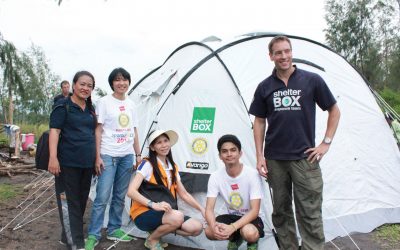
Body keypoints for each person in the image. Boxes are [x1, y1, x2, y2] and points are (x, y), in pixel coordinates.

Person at [249, 35, 341, 250]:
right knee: (281, 212)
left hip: (305, 159)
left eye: (287, 51)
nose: (284, 56)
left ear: (292, 52)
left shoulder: (312, 80)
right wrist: (260, 155)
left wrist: (325, 143)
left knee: (309, 211)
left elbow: (334, 110)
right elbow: (259, 122)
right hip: (275, 160)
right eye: (278, 52)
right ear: (271, 56)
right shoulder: (265, 87)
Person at [85, 67, 141, 250]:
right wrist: (97, 156)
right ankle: (93, 234)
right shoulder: (104, 102)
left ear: (128, 82)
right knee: (102, 196)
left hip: (126, 155)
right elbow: (98, 130)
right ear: (112, 83)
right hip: (107, 154)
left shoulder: (132, 104)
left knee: (119, 196)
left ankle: (114, 229)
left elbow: (133, 130)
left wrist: (138, 154)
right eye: (117, 80)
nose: (121, 83)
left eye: (124, 79)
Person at [127, 129, 205, 250]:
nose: (164, 145)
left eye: (165, 141)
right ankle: (152, 240)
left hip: (164, 213)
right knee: (178, 217)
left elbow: (184, 194)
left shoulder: (173, 166)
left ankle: (156, 233)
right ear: (152, 147)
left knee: (196, 227)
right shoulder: (147, 164)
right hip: (142, 213)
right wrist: (153, 205)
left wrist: (202, 209)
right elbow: (130, 191)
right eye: (158, 142)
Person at [48, 71, 96, 250]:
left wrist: (96, 159)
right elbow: (55, 132)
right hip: (67, 163)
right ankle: (75, 243)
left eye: (89, 86)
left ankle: (66, 236)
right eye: (82, 84)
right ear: (74, 85)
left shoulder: (91, 109)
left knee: (82, 201)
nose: (85, 88)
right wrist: (53, 158)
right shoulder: (63, 106)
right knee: (69, 203)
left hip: (87, 164)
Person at [205, 134, 264, 250]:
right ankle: (235, 239)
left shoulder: (252, 174)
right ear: (220, 156)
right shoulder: (215, 176)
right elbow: (209, 209)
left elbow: (255, 211)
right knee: (208, 232)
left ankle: (252, 243)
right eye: (224, 151)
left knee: (249, 232)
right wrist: (214, 227)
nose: (229, 154)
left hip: (251, 218)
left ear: (240, 153)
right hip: (232, 216)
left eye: (233, 150)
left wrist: (232, 227)